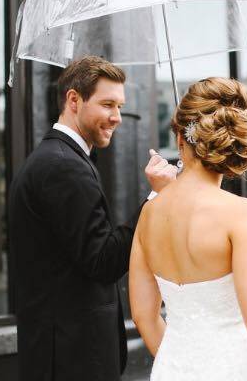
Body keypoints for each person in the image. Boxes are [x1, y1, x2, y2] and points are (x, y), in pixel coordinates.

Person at [129, 77, 247, 380]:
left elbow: (144, 317)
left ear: (179, 139)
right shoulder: (241, 213)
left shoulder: (149, 213)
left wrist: (185, 365)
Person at [9, 56, 176, 381]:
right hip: (73, 359)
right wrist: (154, 198)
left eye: (119, 106)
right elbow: (102, 261)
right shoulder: (63, 167)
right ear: (74, 99)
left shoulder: (57, 160)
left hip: (63, 352)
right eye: (107, 104)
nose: (117, 117)